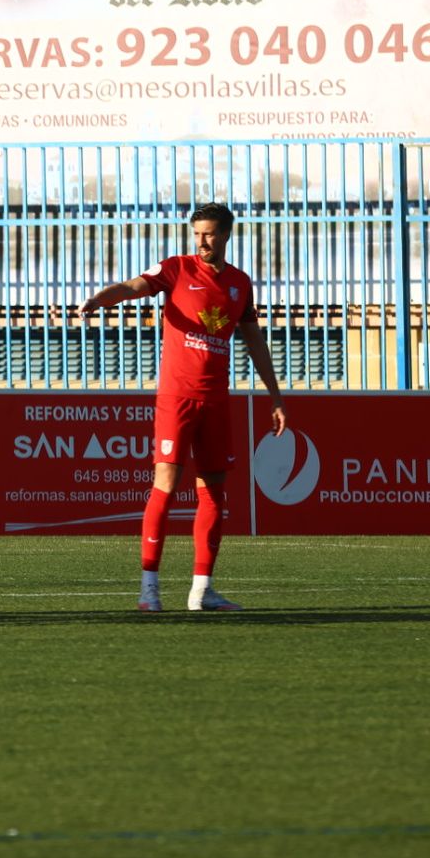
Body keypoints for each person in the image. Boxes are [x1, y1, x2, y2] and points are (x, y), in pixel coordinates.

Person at [77, 203, 288, 613]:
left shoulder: (240, 284)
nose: (202, 241)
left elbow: (254, 341)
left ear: (226, 235)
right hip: (177, 397)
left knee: (214, 492)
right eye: (197, 234)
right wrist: (100, 300)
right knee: (166, 484)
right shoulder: (176, 269)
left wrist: (275, 396)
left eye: (209, 234)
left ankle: (201, 590)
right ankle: (149, 589)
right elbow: (132, 287)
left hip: (216, 399)